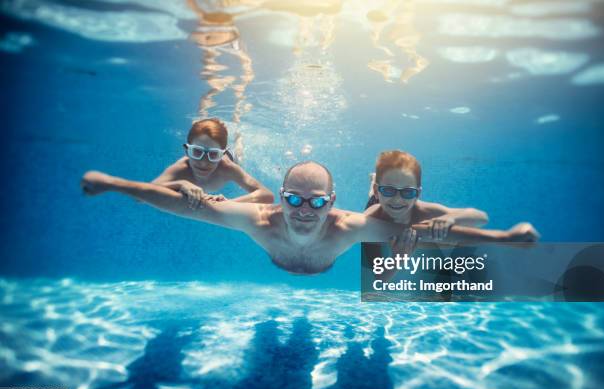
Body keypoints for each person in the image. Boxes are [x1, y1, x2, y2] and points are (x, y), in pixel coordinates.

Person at [81, 161, 539, 275]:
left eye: (317, 202)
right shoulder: (258, 219)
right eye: (294, 200)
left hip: (328, 257)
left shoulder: (351, 226)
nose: (304, 211)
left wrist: (503, 237)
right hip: (280, 257)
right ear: (279, 198)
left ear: (333, 202)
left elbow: (422, 233)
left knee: (405, 233)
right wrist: (114, 184)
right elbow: (188, 206)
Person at [364, 150, 539, 256]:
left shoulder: (425, 211)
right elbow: (376, 277)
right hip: (378, 207)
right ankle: (373, 185)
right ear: (381, 191)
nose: (397, 199)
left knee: (434, 234)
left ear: (418, 194)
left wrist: (451, 219)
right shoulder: (369, 218)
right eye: (388, 191)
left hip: (391, 208)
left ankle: (378, 184)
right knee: (374, 198)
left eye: (408, 192)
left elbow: (481, 218)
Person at [153, 118, 273, 205]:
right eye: (197, 152)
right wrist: (181, 184)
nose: (204, 162)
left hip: (230, 157)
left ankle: (238, 137)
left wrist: (227, 203)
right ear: (187, 151)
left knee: (239, 155)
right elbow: (146, 191)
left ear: (221, 155)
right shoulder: (182, 167)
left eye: (213, 155)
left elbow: (266, 195)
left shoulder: (228, 168)